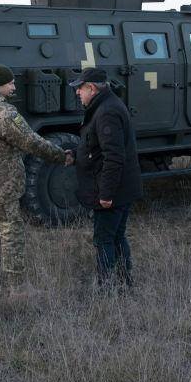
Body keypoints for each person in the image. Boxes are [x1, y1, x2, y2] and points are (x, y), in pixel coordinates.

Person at [0, 64, 71, 297]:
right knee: (11, 232)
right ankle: (18, 288)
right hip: (3, 184)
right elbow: (31, 141)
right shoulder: (1, 112)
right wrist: (61, 156)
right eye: (10, 83)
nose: (13, 86)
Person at [70, 68, 142, 290]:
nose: (77, 93)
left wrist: (106, 194)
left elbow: (114, 157)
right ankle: (124, 282)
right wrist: (74, 155)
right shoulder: (104, 106)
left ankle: (106, 286)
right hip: (121, 187)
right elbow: (97, 147)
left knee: (104, 239)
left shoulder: (107, 112)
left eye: (79, 88)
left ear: (91, 88)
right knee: (117, 236)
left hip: (112, 191)